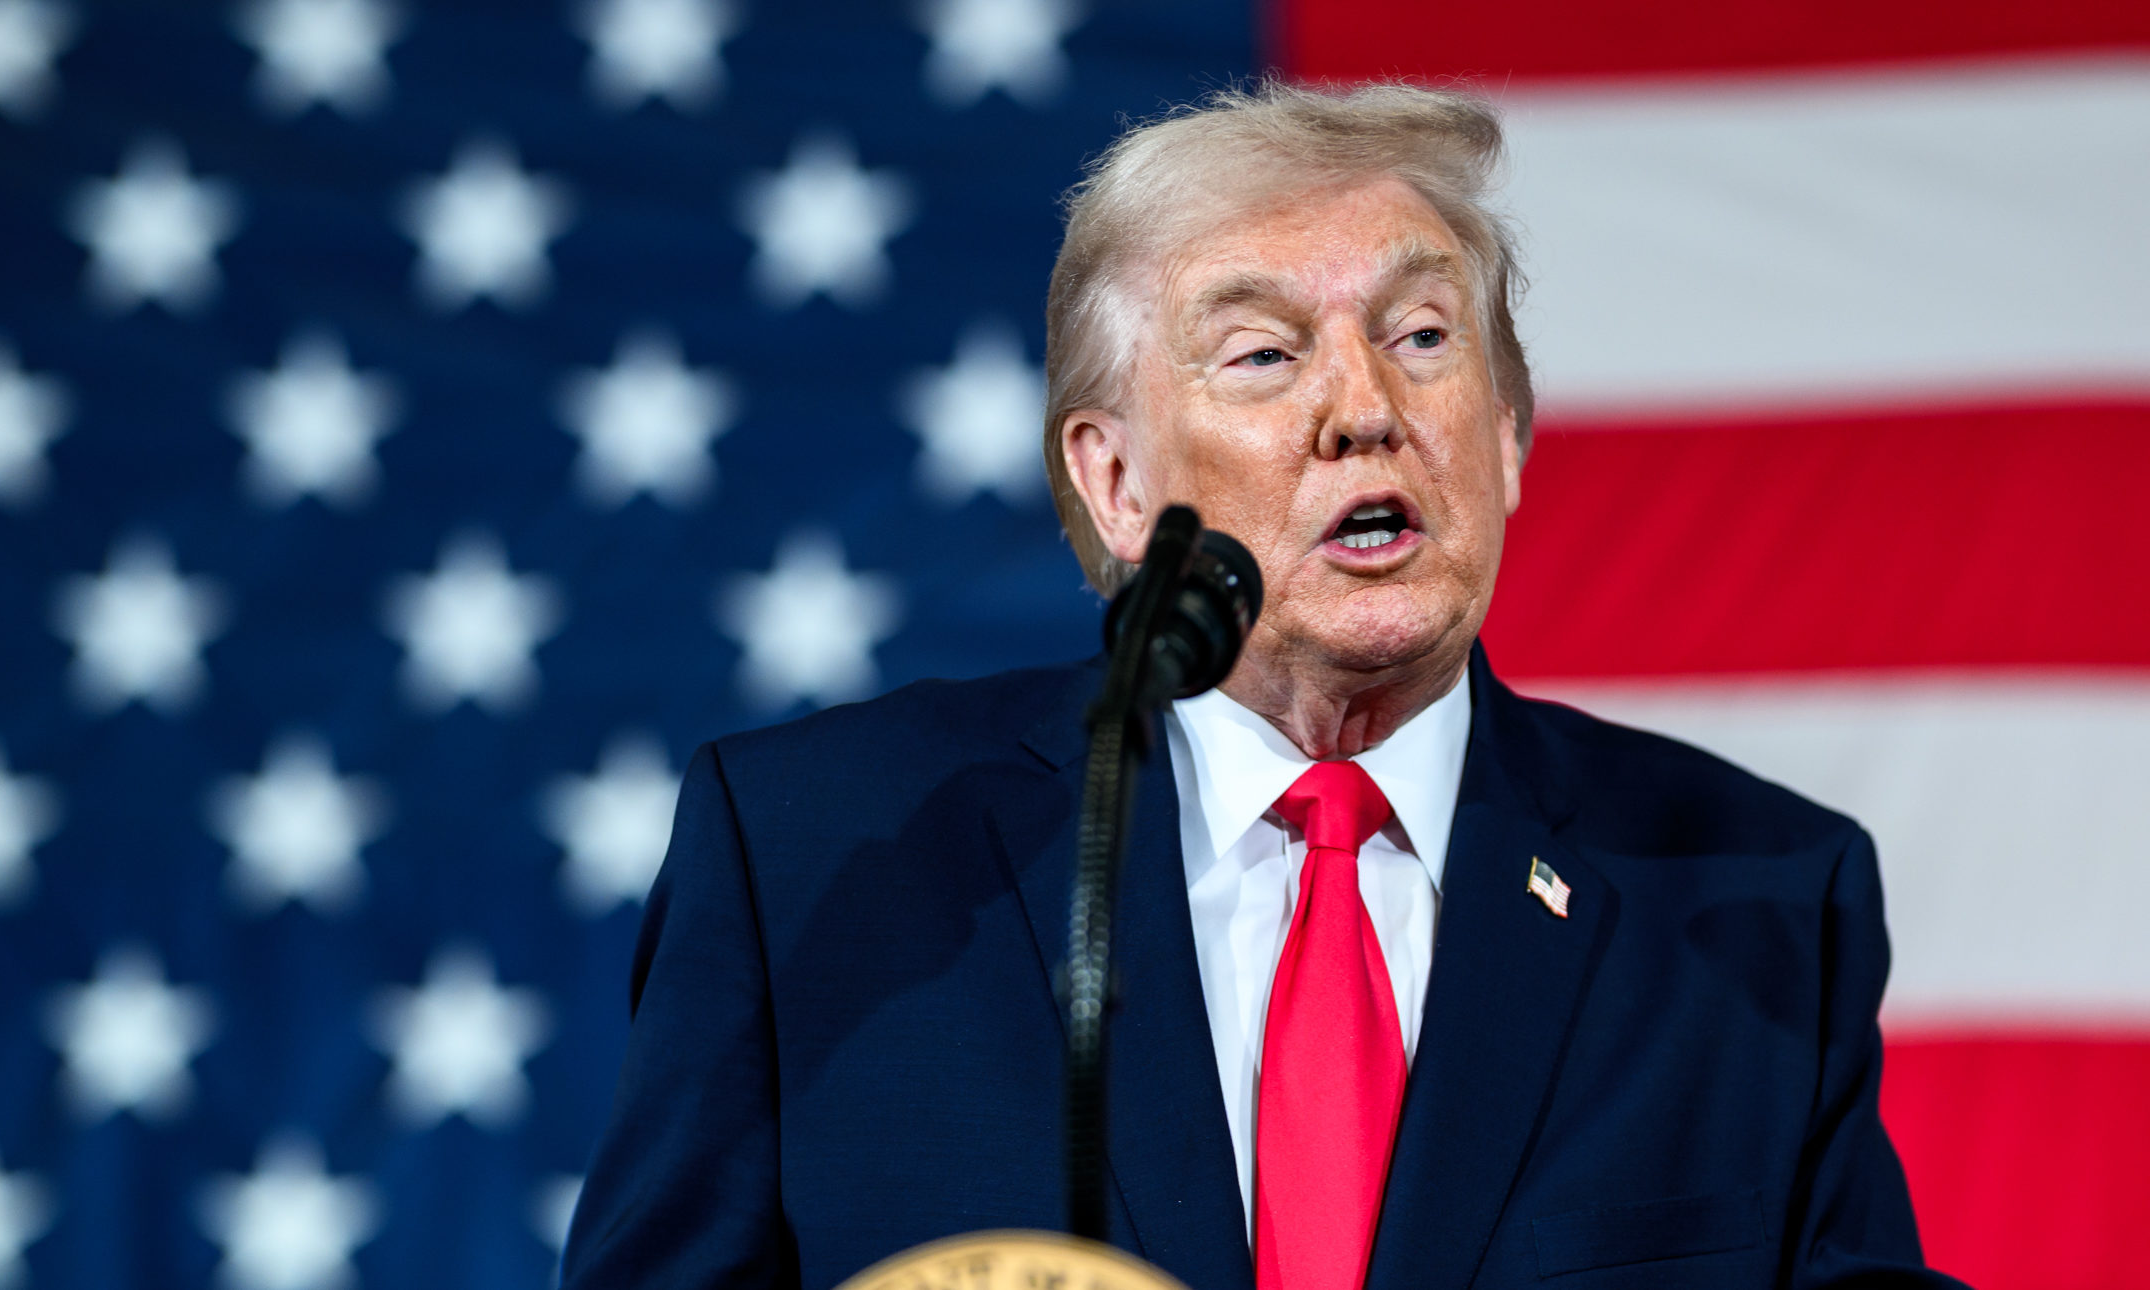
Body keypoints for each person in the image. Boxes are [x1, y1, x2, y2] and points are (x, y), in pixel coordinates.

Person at [561, 81, 1963, 1290]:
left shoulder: (1759, 899)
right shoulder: (821, 864)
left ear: (1513, 434)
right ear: (1114, 481)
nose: (1365, 408)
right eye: (1265, 354)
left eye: (1422, 336)